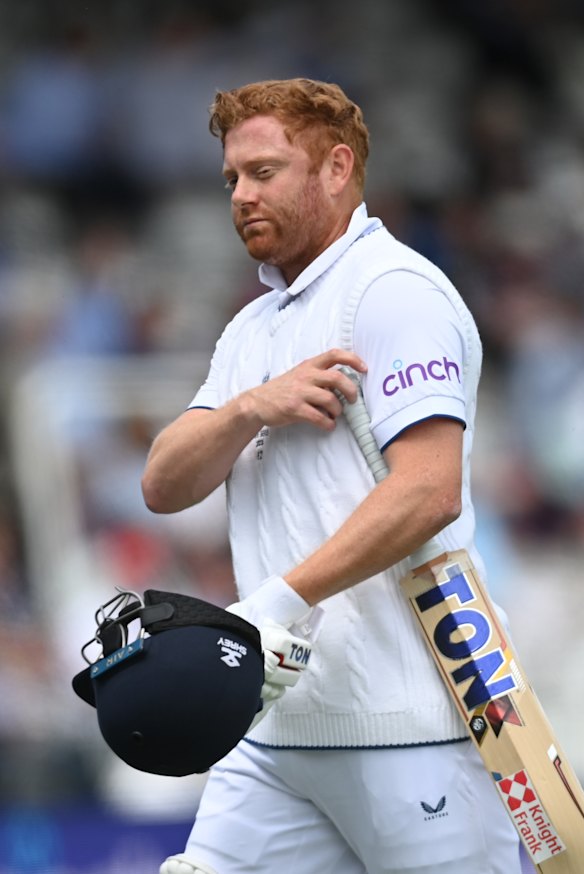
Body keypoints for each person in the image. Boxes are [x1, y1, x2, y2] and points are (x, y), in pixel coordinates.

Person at [141, 78, 524, 874]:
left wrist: (275, 605)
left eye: (265, 172)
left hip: (413, 726)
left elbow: (428, 490)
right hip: (278, 737)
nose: (242, 195)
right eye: (231, 180)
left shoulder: (393, 291)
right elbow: (164, 484)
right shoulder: (254, 327)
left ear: (336, 167)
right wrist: (251, 407)